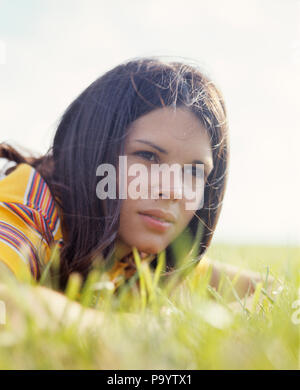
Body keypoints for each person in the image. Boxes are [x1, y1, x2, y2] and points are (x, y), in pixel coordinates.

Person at [0, 57, 266, 317]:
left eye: (194, 171)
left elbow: (269, 292)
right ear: (94, 151)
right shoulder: (31, 204)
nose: (174, 190)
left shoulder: (143, 253)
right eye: (148, 157)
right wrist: (147, 328)